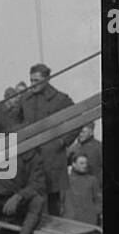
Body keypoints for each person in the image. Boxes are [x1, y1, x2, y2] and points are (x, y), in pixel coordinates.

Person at [19, 63, 77, 216]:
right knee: (31, 199)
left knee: (53, 204)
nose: (33, 84)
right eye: (31, 80)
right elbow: (17, 122)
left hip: (52, 159)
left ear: (47, 79)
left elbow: (78, 119)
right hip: (31, 159)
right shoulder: (26, 99)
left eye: (36, 80)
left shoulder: (60, 99)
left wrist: (63, 141)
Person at [64, 153, 102, 225]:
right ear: (74, 164)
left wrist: (94, 213)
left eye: (86, 163)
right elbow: (60, 201)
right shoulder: (66, 180)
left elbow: (99, 200)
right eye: (81, 163)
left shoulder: (92, 180)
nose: (85, 166)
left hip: (89, 221)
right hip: (70, 221)